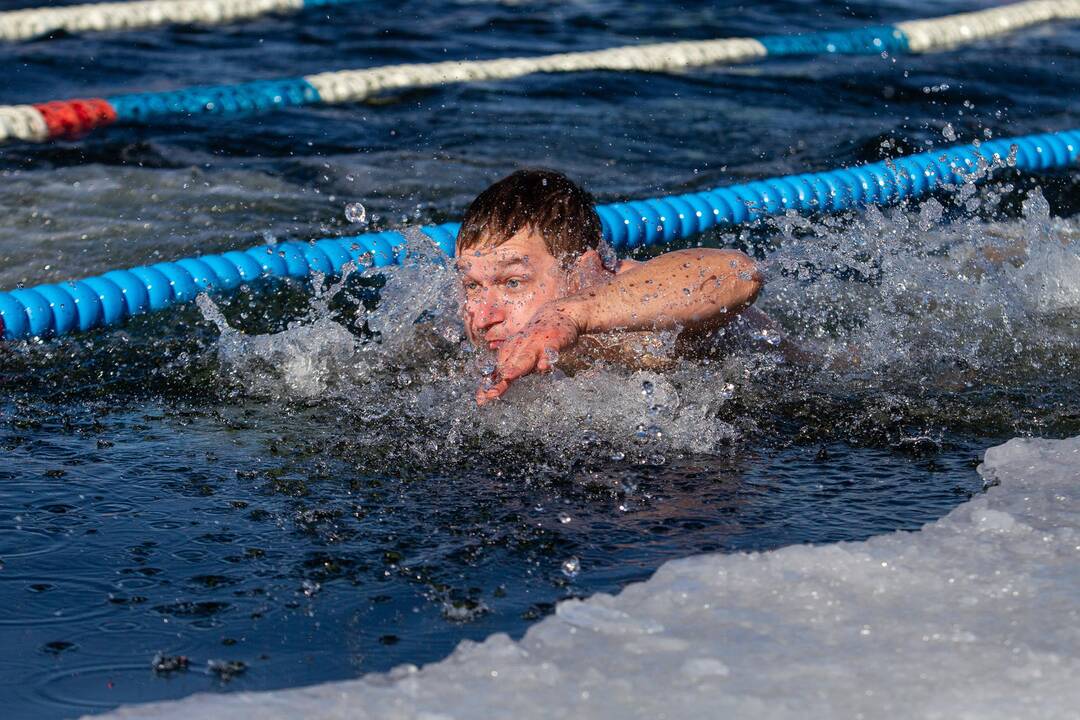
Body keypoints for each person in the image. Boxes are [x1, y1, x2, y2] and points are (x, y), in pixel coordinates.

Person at [455, 169, 764, 405]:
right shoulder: (475, 338)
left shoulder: (646, 326)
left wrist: (566, 314)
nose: (483, 318)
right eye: (472, 285)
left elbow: (739, 273)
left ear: (584, 270)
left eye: (512, 283)